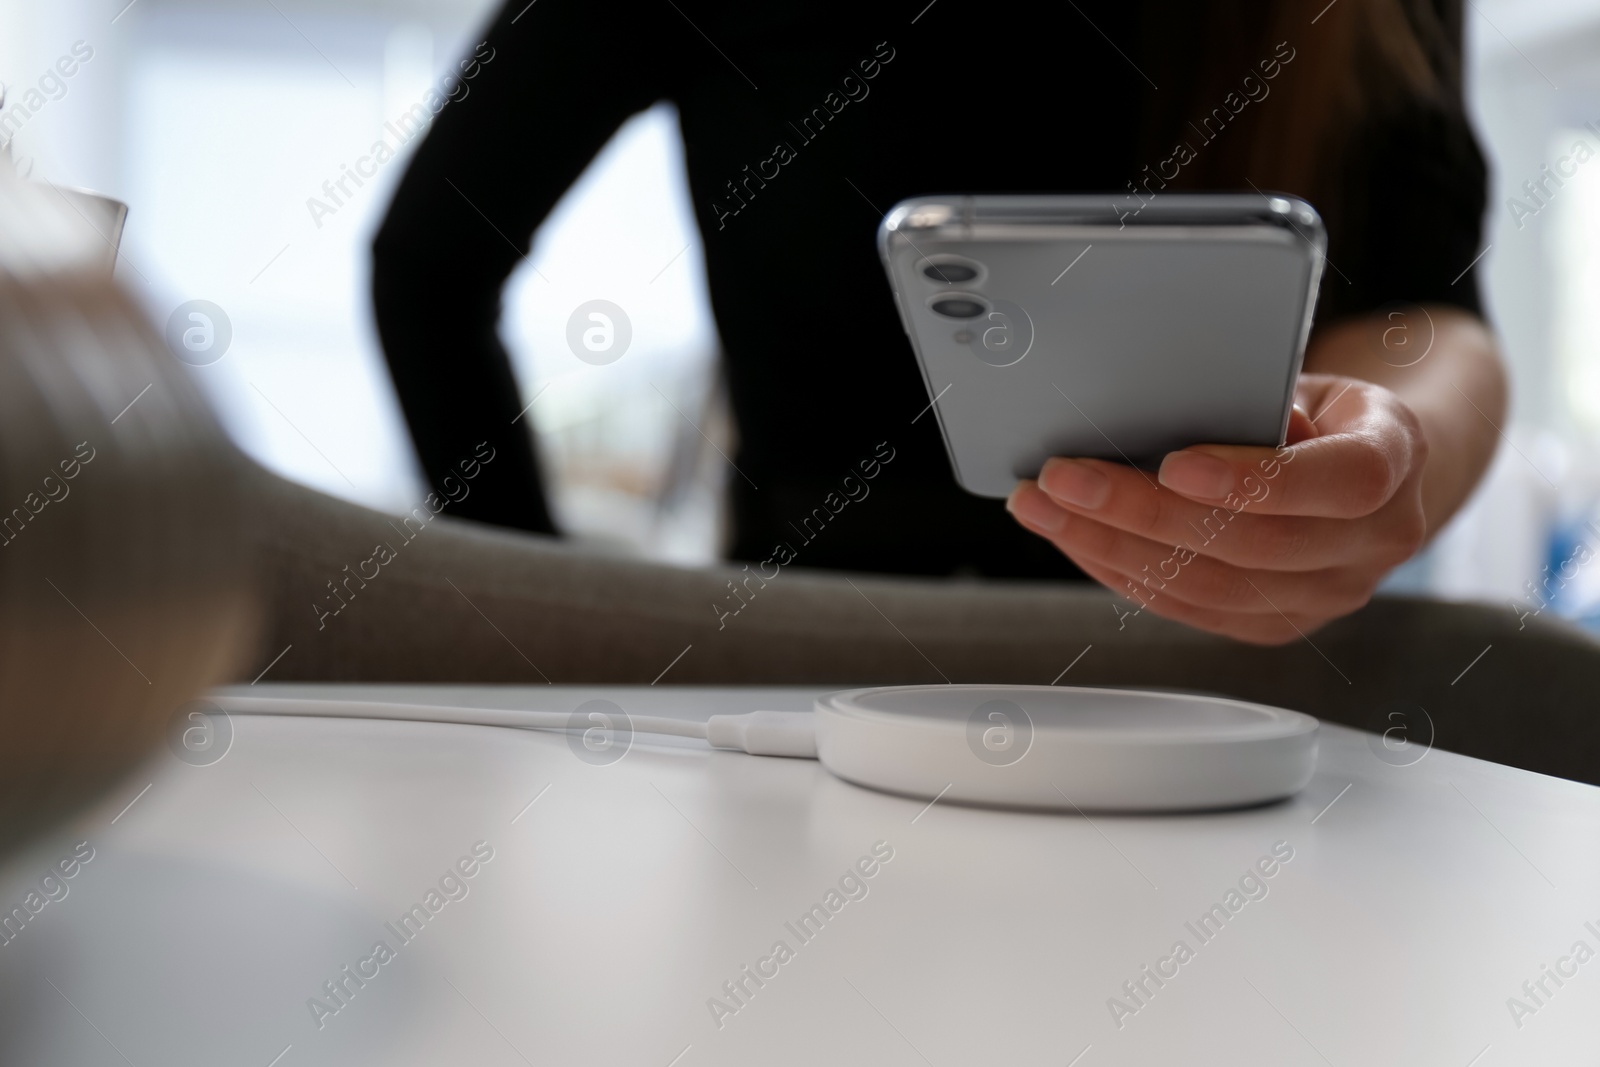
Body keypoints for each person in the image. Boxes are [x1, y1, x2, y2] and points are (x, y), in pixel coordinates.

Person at [372, 0, 1504, 646]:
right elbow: (430, 259)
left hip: (1212, 672)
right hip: (800, 660)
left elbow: (1428, 313)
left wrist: (1395, 447)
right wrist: (551, 631)